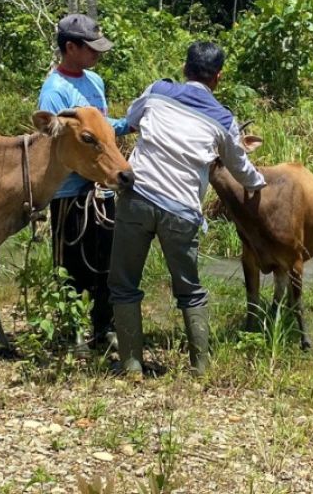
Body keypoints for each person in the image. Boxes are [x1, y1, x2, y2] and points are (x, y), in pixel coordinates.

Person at [109, 41, 266, 376]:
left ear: (184, 69)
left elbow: (133, 121)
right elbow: (239, 168)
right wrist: (256, 183)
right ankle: (200, 366)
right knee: (189, 289)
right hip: (181, 210)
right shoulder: (224, 118)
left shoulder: (157, 91)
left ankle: (132, 366)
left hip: (137, 197)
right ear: (218, 78)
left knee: (123, 283)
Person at [38, 14, 131, 351]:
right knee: (70, 264)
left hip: (102, 187)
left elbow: (102, 129)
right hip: (68, 192)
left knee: (106, 262)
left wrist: (130, 123)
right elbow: (56, 144)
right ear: (70, 47)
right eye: (90, 48)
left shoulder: (95, 81)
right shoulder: (53, 93)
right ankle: (72, 330)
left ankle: (103, 328)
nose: (97, 54)